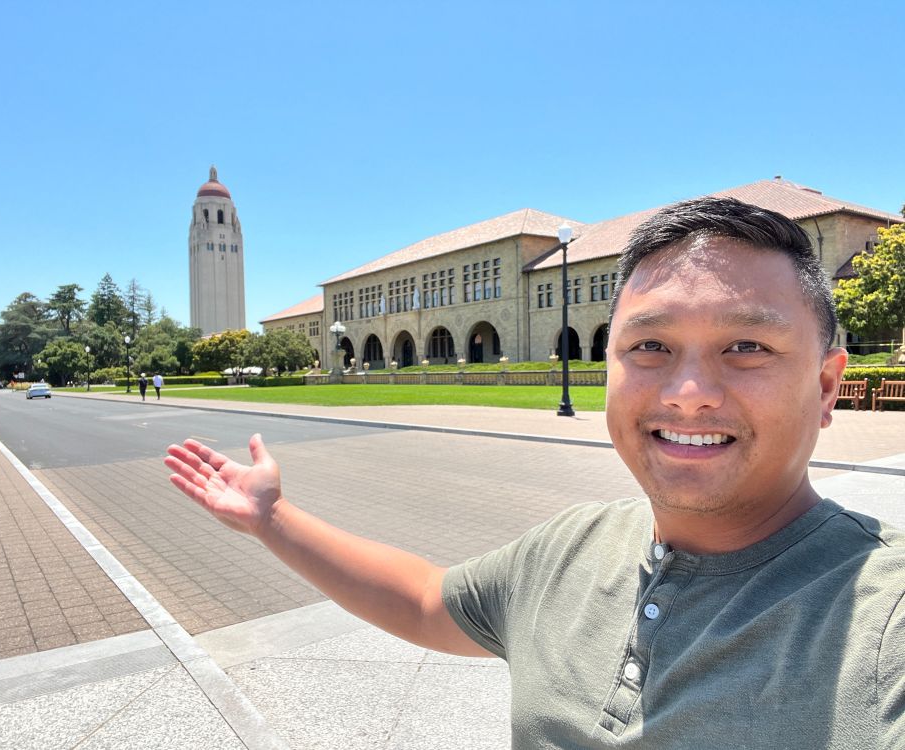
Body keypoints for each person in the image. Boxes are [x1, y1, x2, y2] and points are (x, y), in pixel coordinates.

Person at [165, 198, 904, 748]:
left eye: (746, 345)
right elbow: (426, 600)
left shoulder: (883, 619)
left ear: (827, 385)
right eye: (649, 346)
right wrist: (272, 519)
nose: (688, 393)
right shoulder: (573, 546)